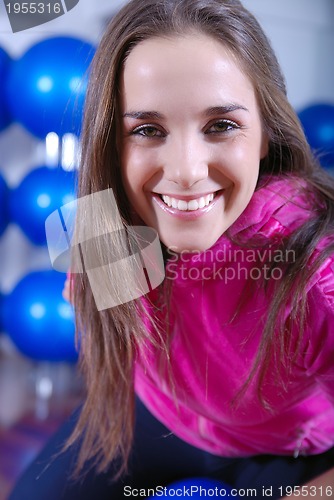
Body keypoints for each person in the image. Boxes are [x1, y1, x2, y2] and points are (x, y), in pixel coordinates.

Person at [9, 0, 334, 498]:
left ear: (265, 133)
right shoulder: (105, 215)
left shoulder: (318, 273)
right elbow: (107, 328)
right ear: (111, 142)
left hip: (285, 450)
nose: (185, 170)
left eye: (221, 125)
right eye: (147, 130)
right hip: (159, 414)